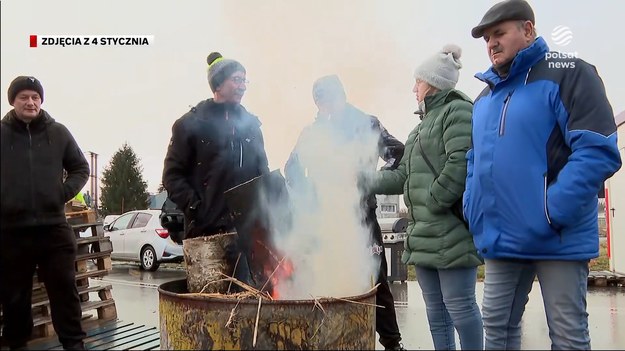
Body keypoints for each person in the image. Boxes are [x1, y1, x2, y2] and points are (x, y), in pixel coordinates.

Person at [466, 0, 622, 349]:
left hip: (557, 236)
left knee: (566, 335)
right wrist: (473, 209)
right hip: (501, 237)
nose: (491, 43)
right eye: (487, 38)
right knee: (497, 327)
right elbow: (474, 160)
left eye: (499, 33)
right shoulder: (484, 99)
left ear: (528, 30)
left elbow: (598, 149)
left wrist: (551, 211)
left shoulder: (569, 73)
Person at [370, 46, 483, 350]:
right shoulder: (417, 129)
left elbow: (460, 162)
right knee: (437, 314)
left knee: (461, 309)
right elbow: (401, 176)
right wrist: (361, 181)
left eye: (417, 82)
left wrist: (433, 201)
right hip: (423, 235)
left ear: (432, 82)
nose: (413, 88)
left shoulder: (458, 111)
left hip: (451, 233)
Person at [285, 75, 406, 351]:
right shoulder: (311, 133)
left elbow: (399, 154)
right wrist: (310, 198)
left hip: (362, 216)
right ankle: (332, 339)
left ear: (342, 94)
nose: (326, 104)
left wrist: (369, 179)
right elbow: (291, 169)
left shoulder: (367, 124)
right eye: (320, 99)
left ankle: (392, 343)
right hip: (325, 220)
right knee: (326, 276)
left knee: (375, 279)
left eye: (330, 97)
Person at [162, 52, 269, 284]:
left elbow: (263, 174)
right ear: (218, 84)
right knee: (209, 304)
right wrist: (198, 209)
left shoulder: (251, 127)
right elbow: (172, 177)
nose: (243, 87)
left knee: (250, 304)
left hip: (248, 234)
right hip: (206, 234)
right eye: (237, 80)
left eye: (244, 81)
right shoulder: (190, 125)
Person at [0, 76, 90, 350]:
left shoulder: (58, 132)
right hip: (12, 232)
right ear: (13, 101)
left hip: (54, 230)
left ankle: (74, 345)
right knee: (14, 296)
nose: (30, 102)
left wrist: (61, 193)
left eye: (35, 97)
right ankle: (17, 345)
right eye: (24, 97)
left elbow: (80, 168)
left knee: (64, 291)